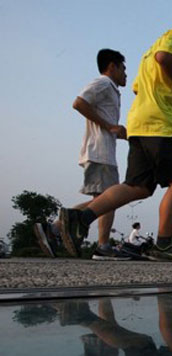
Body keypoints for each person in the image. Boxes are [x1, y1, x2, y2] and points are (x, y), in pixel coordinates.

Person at [59, 16, 172, 262]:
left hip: (139, 125)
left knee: (138, 187)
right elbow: (165, 59)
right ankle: (163, 244)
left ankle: (80, 218)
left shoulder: (151, 50)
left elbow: (138, 87)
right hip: (163, 126)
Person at [34, 49, 129, 260]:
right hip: (99, 152)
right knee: (109, 199)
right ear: (112, 66)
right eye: (123, 68)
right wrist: (109, 126)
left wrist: (117, 131)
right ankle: (101, 246)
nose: (126, 74)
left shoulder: (111, 89)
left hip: (102, 151)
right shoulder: (104, 83)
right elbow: (78, 103)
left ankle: (56, 228)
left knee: (103, 200)